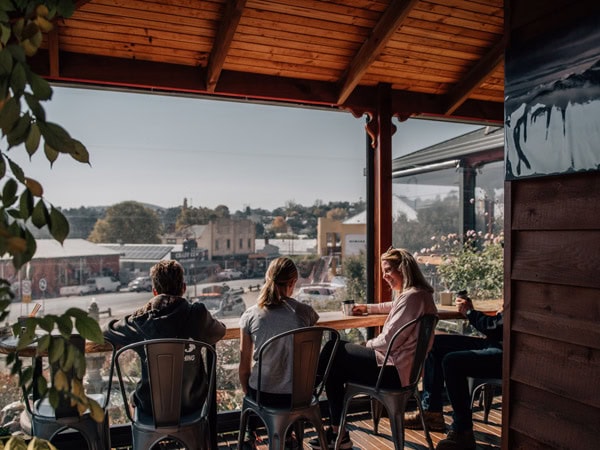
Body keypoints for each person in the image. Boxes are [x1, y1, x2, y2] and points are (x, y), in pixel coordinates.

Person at [309, 247, 438, 450]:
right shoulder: (421, 296)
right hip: (405, 372)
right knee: (334, 366)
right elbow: (393, 306)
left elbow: (387, 341)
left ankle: (308, 393)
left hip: (392, 372)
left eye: (388, 270)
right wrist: (368, 308)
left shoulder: (411, 298)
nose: (385, 276)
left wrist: (364, 346)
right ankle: (337, 432)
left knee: (334, 348)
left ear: (403, 269)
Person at [103, 260, 226, 416]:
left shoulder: (140, 322)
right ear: (184, 288)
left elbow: (104, 332)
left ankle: (146, 439)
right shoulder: (198, 314)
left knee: (134, 401)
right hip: (194, 403)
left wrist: (136, 315)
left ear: (154, 292)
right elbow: (220, 331)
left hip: (151, 407)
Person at [404, 291, 503, 450]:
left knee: (452, 362)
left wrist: (469, 312)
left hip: (505, 354)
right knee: (434, 343)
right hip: (494, 344)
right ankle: (431, 412)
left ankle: (462, 431)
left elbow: (496, 327)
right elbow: (499, 325)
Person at [238, 257, 319, 449]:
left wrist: (249, 392)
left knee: (254, 385)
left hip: (263, 395)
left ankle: (251, 436)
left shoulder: (251, 315)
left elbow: (244, 368)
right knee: (290, 377)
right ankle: (290, 435)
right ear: (293, 282)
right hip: (298, 396)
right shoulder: (305, 312)